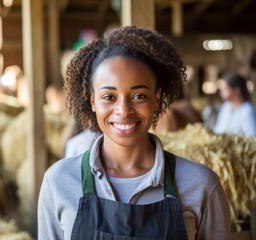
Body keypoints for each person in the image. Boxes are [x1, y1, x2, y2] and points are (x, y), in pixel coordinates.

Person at [38, 26, 231, 240]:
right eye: (109, 97)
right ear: (93, 101)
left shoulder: (201, 185)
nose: (124, 110)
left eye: (139, 96)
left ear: (157, 100)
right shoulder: (59, 182)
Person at [213, 72, 256, 137]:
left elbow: (252, 137)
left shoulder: (247, 111)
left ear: (237, 90)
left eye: (226, 88)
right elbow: (218, 129)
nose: (221, 92)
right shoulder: (226, 107)